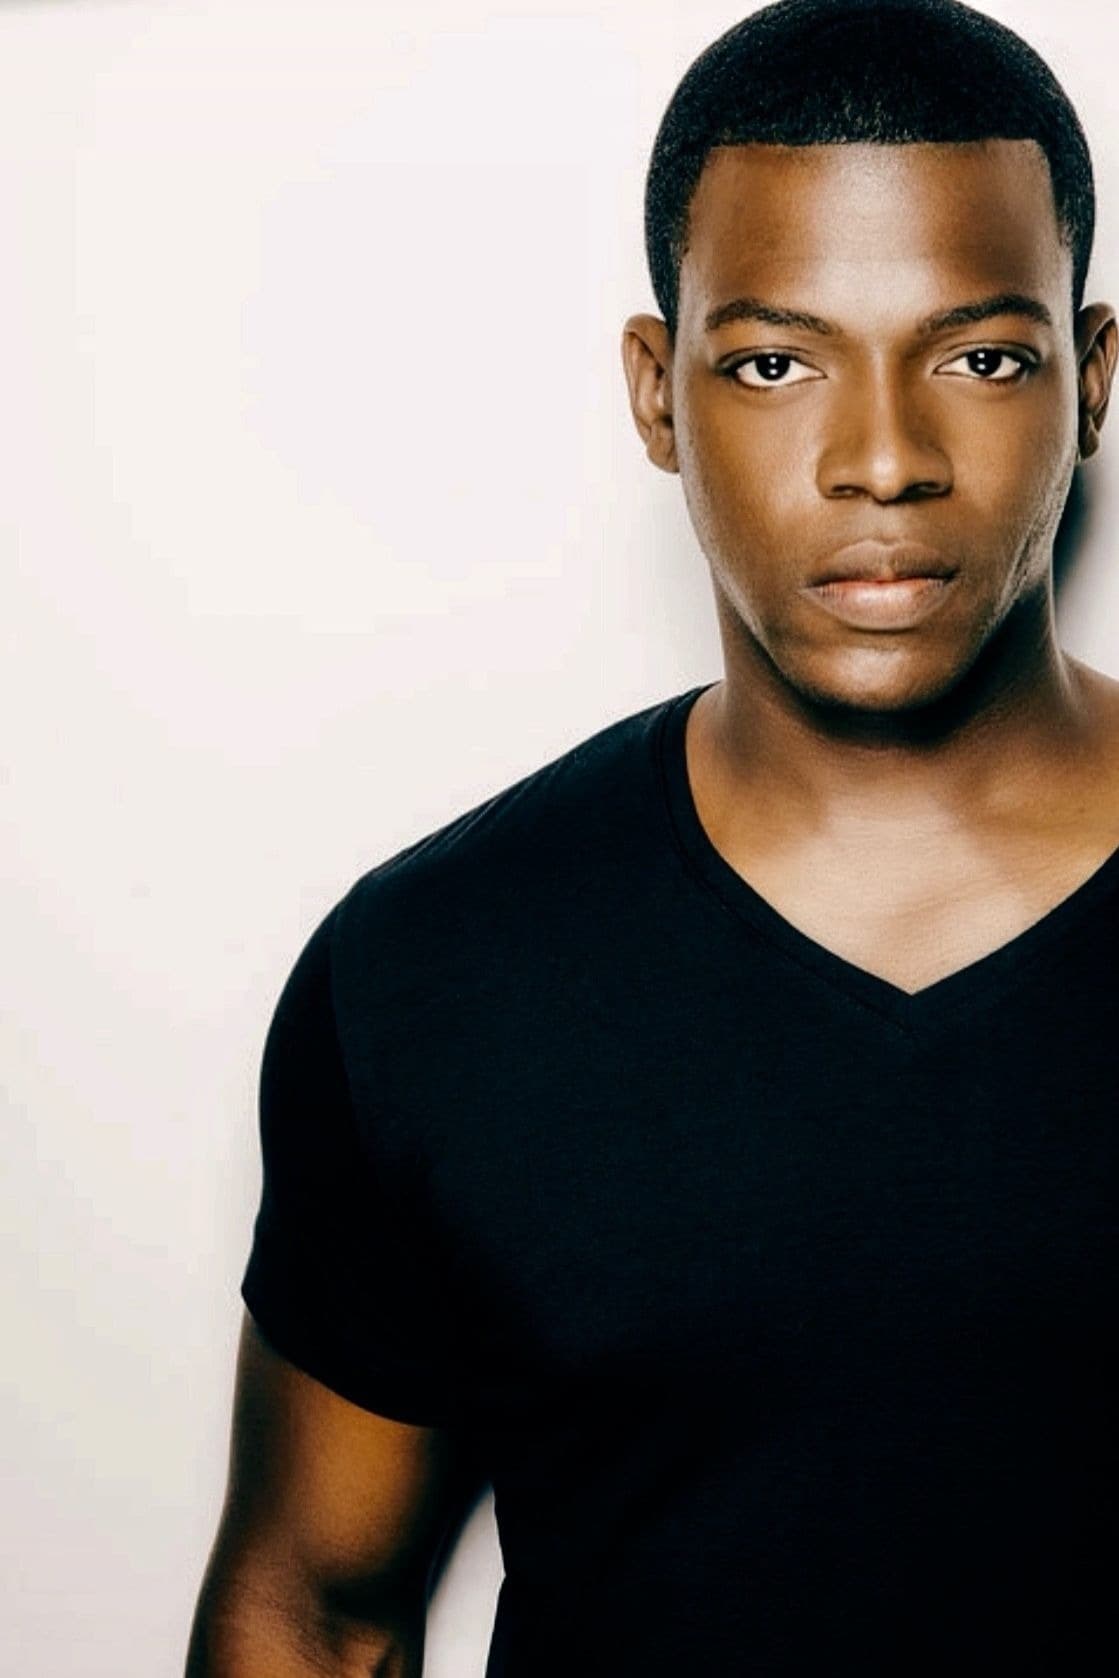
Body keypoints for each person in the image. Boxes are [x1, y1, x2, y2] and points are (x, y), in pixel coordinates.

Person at [186, 1, 1119, 1672]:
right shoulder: (435, 978)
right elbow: (314, 1611)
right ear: (657, 392)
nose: (884, 459)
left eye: (980, 357)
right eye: (775, 362)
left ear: (1093, 378)